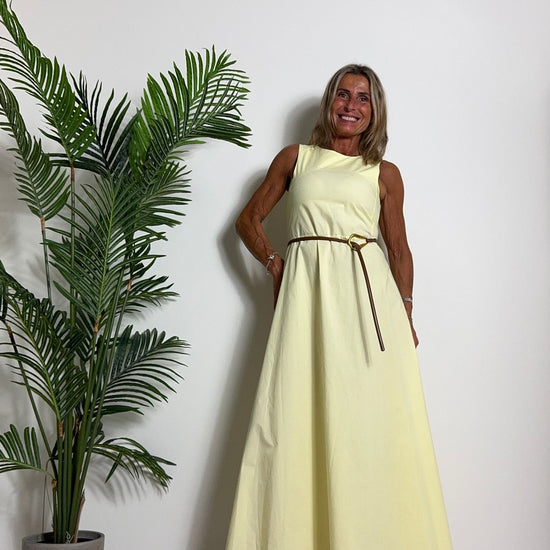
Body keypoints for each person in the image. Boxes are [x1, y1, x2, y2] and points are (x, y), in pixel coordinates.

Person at [226, 64, 453, 550]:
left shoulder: (384, 173)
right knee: (294, 414)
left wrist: (406, 311)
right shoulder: (296, 158)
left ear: (375, 112)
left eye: (363, 98)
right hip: (306, 299)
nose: (351, 106)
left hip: (369, 308)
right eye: (343, 95)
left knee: (369, 418)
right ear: (330, 102)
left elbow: (399, 250)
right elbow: (247, 221)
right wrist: (275, 265)